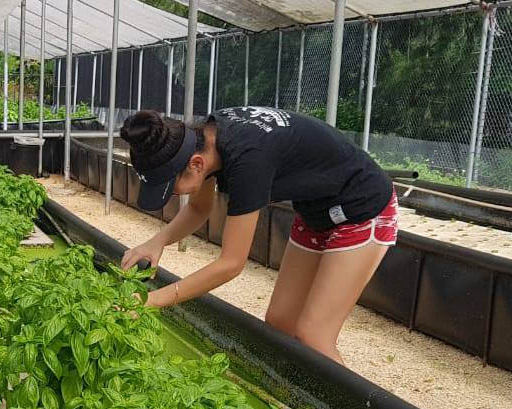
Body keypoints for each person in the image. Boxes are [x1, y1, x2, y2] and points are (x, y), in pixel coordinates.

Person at [119, 107, 397, 364]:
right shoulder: (203, 139)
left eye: (171, 188)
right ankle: (294, 399)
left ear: (196, 164)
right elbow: (199, 208)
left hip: (363, 208)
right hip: (316, 212)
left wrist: (152, 301)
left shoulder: (248, 160)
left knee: (314, 334)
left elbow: (231, 264)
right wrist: (156, 242)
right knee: (280, 322)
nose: (173, 195)